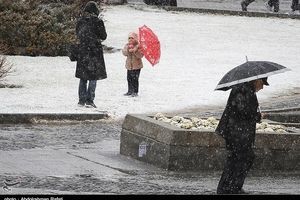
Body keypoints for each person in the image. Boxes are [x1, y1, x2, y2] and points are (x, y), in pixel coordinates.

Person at [215, 77, 269, 194]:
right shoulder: (242, 90)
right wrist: (258, 116)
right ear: (256, 80)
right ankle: (232, 187)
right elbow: (243, 111)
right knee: (242, 158)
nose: (262, 86)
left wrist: (256, 112)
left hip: (238, 132)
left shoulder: (247, 90)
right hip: (236, 132)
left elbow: (244, 111)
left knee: (239, 158)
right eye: (262, 83)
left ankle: (229, 187)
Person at [75, 1, 107, 108]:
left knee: (83, 77)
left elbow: (78, 34)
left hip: (83, 51)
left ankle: (81, 100)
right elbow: (103, 36)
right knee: (94, 77)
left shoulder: (80, 21)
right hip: (94, 52)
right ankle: (90, 100)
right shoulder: (98, 22)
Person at [122, 32, 144, 97]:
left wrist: (135, 51)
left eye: (132, 38)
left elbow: (140, 55)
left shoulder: (138, 46)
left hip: (137, 66)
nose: (130, 40)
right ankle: (130, 90)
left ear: (135, 39)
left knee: (135, 78)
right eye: (129, 38)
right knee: (129, 78)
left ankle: (135, 91)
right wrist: (128, 50)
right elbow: (124, 53)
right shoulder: (127, 45)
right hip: (129, 66)